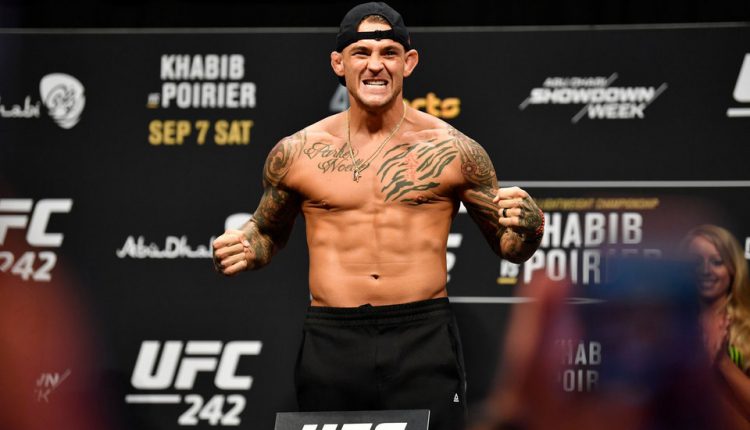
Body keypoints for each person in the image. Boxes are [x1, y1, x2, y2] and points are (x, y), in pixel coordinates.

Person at [212, 3, 544, 429]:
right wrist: (246, 247)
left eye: (389, 52)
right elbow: (266, 231)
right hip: (331, 338)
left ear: (409, 62)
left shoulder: (453, 150)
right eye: (361, 53)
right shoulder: (297, 153)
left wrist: (532, 227)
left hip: (422, 336)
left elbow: (510, 247)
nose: (375, 65)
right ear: (339, 63)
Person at [683, 225, 750, 427]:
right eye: (696, 262)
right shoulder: (670, 327)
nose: (705, 270)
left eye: (717, 262)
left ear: (733, 268)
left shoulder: (747, 327)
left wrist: (723, 363)